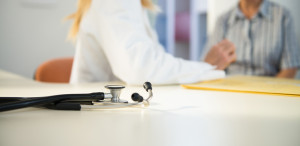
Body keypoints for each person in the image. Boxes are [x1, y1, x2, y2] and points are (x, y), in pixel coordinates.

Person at [68, 0, 236, 85]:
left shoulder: (136, 5)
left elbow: (155, 59)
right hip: (97, 122)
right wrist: (205, 67)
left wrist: (203, 67)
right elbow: (140, 68)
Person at [202, 0, 300, 78]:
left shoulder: (283, 17)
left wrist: (270, 93)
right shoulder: (223, 20)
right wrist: (211, 63)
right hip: (231, 91)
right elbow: (207, 66)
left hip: (270, 91)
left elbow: (290, 68)